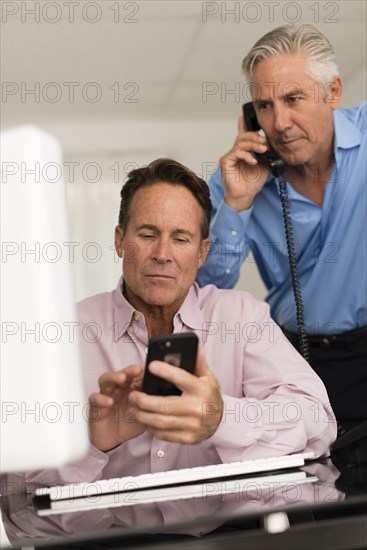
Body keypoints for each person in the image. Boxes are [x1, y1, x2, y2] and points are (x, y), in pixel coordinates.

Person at [25, 158, 335, 534]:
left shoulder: (242, 317)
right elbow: (22, 498)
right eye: (147, 233)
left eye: (181, 238)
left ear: (202, 252)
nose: (163, 253)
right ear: (120, 239)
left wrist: (221, 419)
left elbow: (317, 423)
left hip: (233, 538)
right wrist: (93, 447)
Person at [196, 24, 367, 431]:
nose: (280, 122)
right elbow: (204, 290)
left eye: (293, 99)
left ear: (333, 92)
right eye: (265, 106)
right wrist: (238, 203)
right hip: (300, 358)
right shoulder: (233, 180)